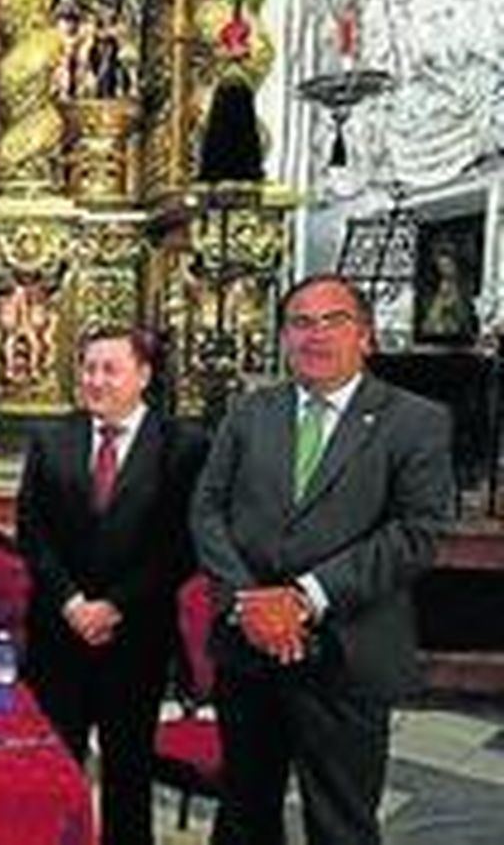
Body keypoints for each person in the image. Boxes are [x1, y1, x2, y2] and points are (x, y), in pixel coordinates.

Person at [191, 274, 454, 845]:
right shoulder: (249, 412)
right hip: (249, 650)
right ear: (284, 337)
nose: (315, 335)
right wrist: (249, 603)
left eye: (332, 320)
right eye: (300, 323)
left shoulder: (414, 420)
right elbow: (206, 511)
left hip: (349, 652)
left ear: (366, 335)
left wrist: (304, 596)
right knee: (243, 813)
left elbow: (418, 531)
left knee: (341, 823)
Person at [19, 326, 209, 845]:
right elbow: (33, 534)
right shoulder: (50, 439)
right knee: (53, 771)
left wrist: (114, 606)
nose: (95, 380)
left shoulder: (185, 446)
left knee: (129, 772)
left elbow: (180, 547)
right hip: (59, 634)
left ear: (143, 376)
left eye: (110, 369)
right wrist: (74, 602)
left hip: (136, 636)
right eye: (88, 368)